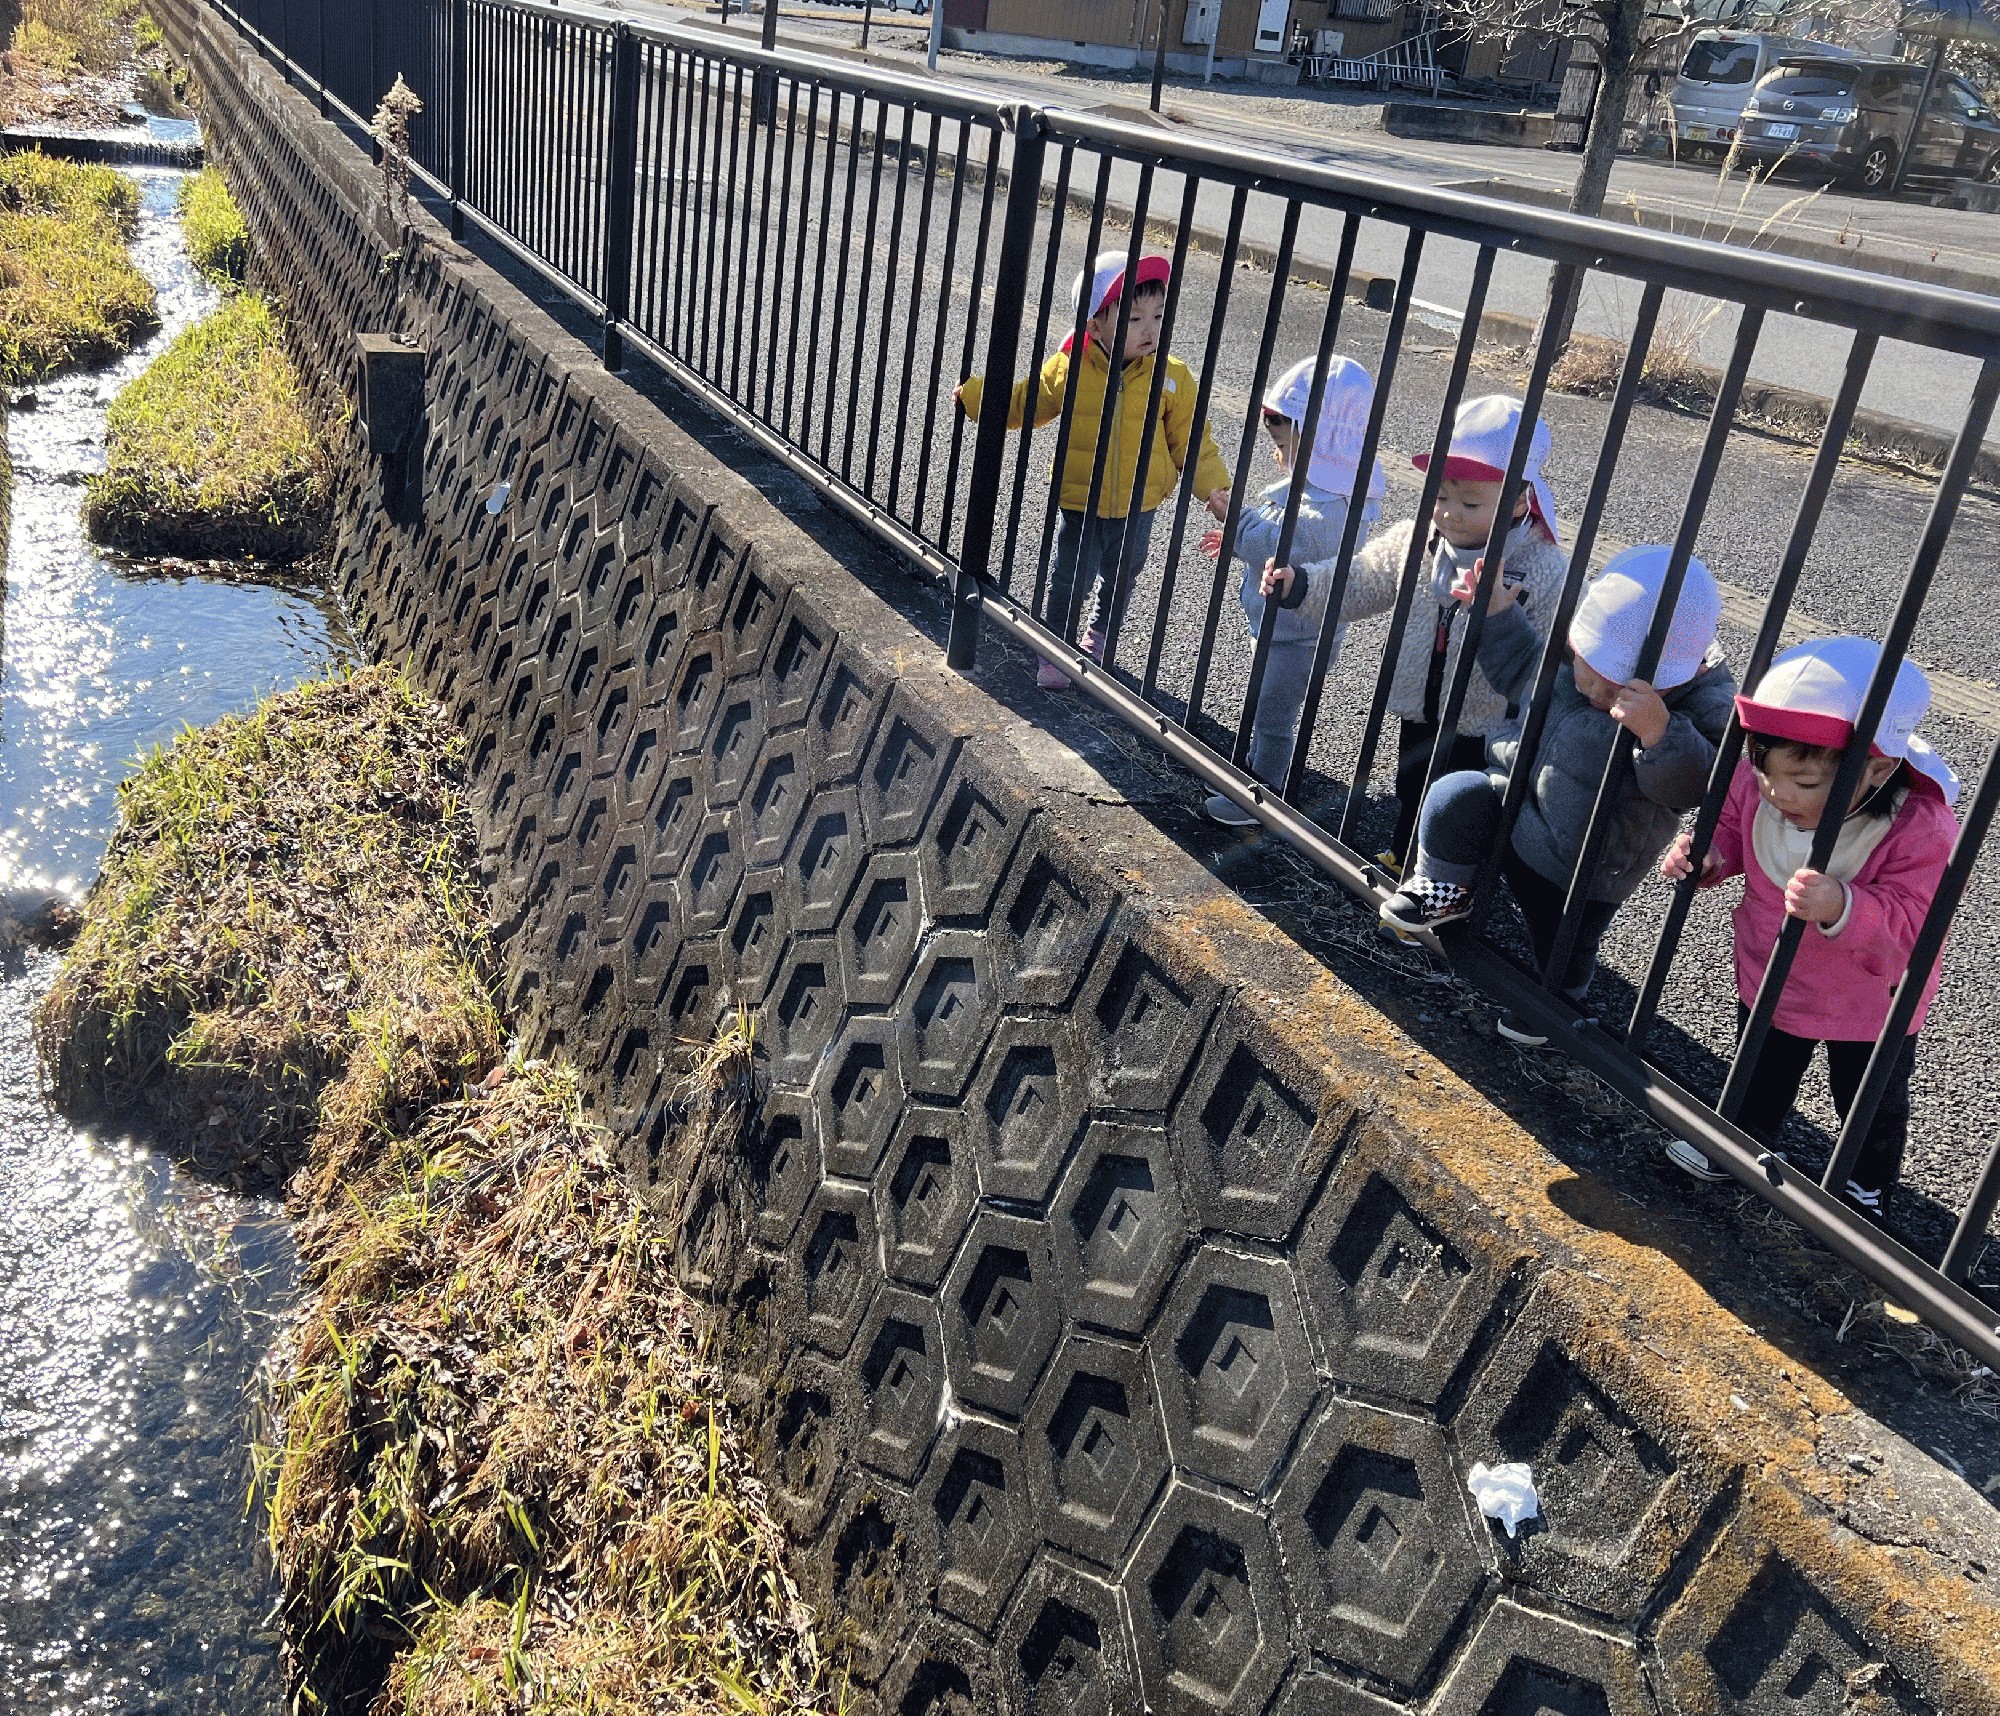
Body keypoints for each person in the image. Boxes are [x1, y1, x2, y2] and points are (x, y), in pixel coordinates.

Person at [1379, 544, 1736, 1044]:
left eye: (1614, 690)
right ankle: (1444, 888)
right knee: (1453, 796)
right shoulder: (1572, 653)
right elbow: (1521, 670)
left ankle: (1554, 1000)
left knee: (1563, 938)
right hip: (1514, 799)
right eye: (1588, 677)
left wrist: (1661, 734)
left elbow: (1694, 789)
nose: (1597, 697)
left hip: (1587, 856)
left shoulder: (1707, 702)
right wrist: (1497, 612)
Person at [1658, 637, 1960, 1222]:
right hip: (1774, 971)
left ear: (1877, 769)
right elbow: (1734, 819)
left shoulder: (1921, 827)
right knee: (1759, 1068)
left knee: (1867, 1101)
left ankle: (1865, 1185)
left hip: (1869, 1001)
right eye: (1766, 774)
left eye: (1804, 784)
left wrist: (1843, 904)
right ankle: (1739, 1138)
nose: (1777, 795)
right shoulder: (1763, 781)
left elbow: (1914, 924)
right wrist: (1711, 852)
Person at [1295, 395, 1568, 871]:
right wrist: (1302, 585)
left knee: (1463, 805)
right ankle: (1405, 858)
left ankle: (1451, 883)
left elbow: (1550, 652)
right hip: (1420, 703)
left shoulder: (1541, 567)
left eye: (1470, 502)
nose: (1449, 513)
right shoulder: (1417, 540)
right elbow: (1363, 577)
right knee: (1413, 782)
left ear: (1519, 501)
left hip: (1487, 719)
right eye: (1440, 497)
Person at [957, 250, 1232, 690]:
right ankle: (1055, 646)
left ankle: (1100, 636)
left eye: (1158, 316)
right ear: (1094, 326)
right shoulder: (1070, 367)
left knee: (1122, 577)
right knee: (1070, 579)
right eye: (1134, 319)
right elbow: (1026, 403)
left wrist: (1215, 488)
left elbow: (1193, 440)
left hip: (1139, 503)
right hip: (1081, 500)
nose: (1150, 329)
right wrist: (977, 396)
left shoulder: (1172, 376)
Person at [1199, 354, 1387, 827]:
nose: (1276, 455)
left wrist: (1237, 521)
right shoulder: (1318, 486)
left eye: (1284, 445)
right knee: (1263, 702)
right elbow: (1276, 532)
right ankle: (1251, 770)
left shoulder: (1338, 505)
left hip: (1301, 637)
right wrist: (1237, 536)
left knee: (1274, 714)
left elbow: (1288, 542)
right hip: (1282, 626)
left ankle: (1264, 793)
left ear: (1320, 441)